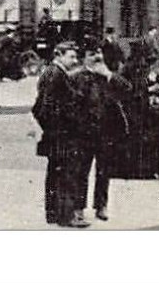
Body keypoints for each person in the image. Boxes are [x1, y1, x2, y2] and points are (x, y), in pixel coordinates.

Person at [33, 41, 88, 227]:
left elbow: (38, 108)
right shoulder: (56, 75)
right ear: (59, 55)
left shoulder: (52, 72)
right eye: (71, 56)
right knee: (67, 175)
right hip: (63, 135)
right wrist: (62, 126)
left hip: (55, 134)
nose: (75, 60)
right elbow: (47, 107)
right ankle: (67, 216)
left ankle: (54, 214)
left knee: (55, 174)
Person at [74, 44, 130, 222]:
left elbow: (127, 89)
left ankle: (101, 206)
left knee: (104, 171)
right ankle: (78, 208)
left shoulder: (108, 76)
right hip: (85, 132)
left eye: (99, 53)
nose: (97, 57)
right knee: (81, 171)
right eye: (92, 54)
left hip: (106, 132)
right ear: (84, 59)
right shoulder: (77, 77)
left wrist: (109, 75)